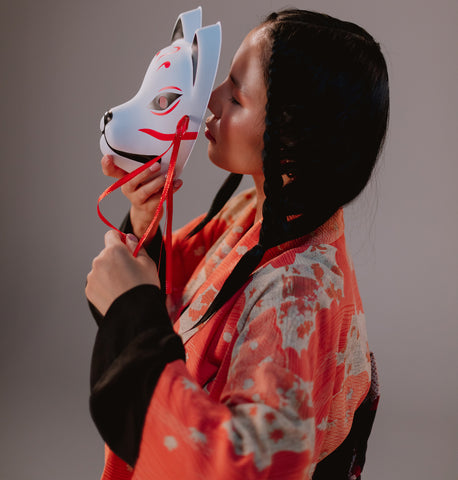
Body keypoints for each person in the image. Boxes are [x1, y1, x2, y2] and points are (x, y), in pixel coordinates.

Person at [86, 8, 389, 480]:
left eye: (236, 96)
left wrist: (131, 312)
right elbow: (185, 284)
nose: (210, 98)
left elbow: (247, 468)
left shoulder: (298, 294)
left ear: (290, 141)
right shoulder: (264, 209)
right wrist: (146, 217)